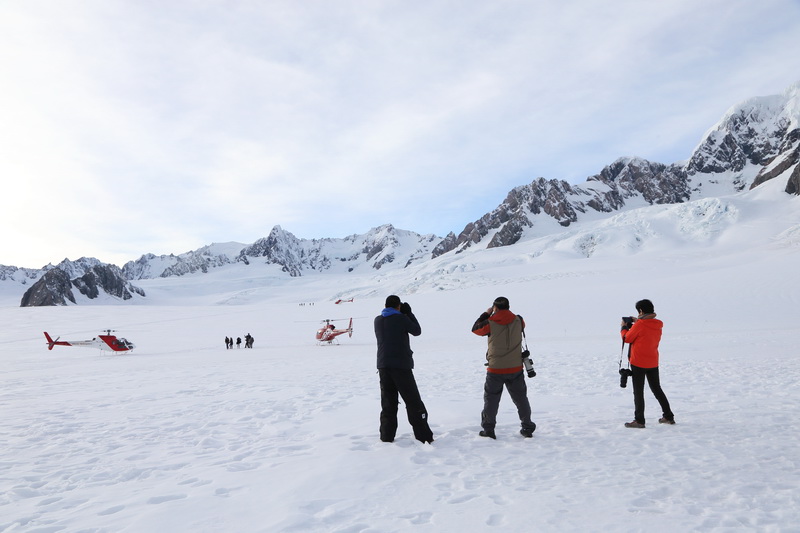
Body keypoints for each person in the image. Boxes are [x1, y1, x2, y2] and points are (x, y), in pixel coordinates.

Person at [472, 296, 537, 439]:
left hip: (495, 369)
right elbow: (521, 325)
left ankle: (489, 430)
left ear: (495, 308)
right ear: (509, 306)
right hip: (515, 368)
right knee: (521, 399)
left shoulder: (490, 322)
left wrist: (486, 314)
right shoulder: (519, 320)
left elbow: (476, 329)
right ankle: (527, 427)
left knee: (491, 400)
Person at [374, 295, 434, 444]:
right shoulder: (401, 318)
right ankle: (424, 436)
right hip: (400, 365)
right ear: (398, 306)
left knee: (388, 403)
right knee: (413, 401)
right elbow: (417, 331)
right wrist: (409, 314)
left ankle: (386, 436)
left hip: (383, 365)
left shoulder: (378, 320)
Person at [620, 299, 675, 428]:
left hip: (638, 362)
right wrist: (637, 321)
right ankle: (668, 416)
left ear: (641, 311)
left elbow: (627, 338)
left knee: (638, 392)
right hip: (652, 361)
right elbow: (645, 329)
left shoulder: (640, 325)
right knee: (657, 389)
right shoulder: (657, 324)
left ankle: (639, 420)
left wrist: (623, 327)